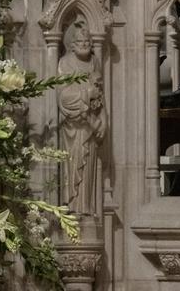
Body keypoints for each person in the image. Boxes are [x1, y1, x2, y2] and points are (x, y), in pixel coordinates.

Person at [57, 17, 106, 216]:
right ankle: (71, 205)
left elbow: (102, 93)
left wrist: (104, 120)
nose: (84, 45)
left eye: (87, 42)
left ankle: (86, 207)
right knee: (73, 167)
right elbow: (63, 96)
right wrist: (86, 94)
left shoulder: (95, 62)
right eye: (80, 42)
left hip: (90, 128)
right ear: (71, 45)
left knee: (88, 169)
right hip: (73, 127)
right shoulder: (65, 63)